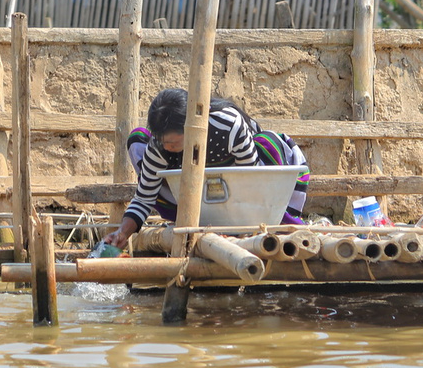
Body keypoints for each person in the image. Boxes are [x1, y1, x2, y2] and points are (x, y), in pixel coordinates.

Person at [97, 88, 310, 252]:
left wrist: (239, 231)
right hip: (198, 201)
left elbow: (249, 182)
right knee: (137, 140)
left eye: (173, 141)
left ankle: (281, 220)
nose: (167, 146)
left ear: (192, 126)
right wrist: (122, 233)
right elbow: (144, 198)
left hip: (252, 201)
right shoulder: (159, 146)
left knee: (270, 142)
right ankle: (198, 220)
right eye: (164, 141)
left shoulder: (228, 124)